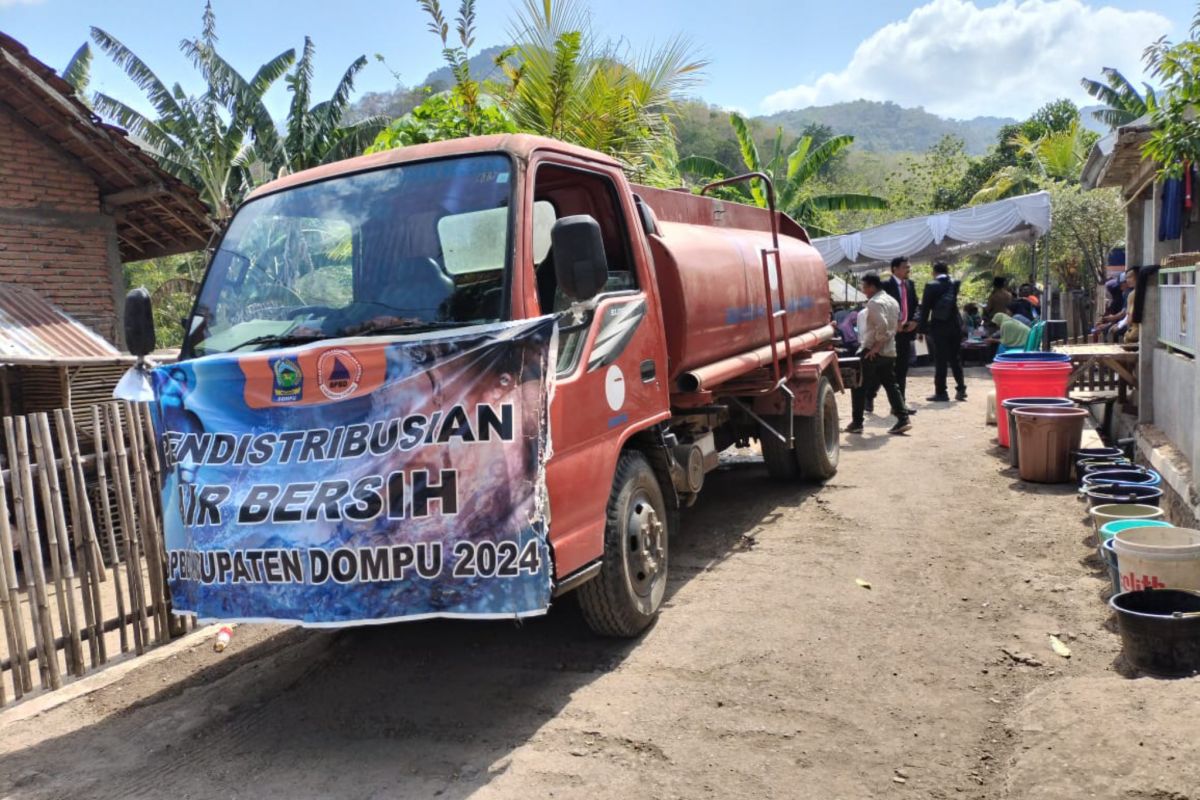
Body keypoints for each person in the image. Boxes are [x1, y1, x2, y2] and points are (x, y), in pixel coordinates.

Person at [846, 273, 912, 435]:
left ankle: (857, 422)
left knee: (859, 386)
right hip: (889, 351)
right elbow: (897, 325)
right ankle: (903, 418)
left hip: (872, 351)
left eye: (864, 286)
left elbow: (882, 326)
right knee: (891, 384)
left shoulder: (874, 303)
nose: (863, 289)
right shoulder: (893, 301)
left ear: (871, 286)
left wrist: (875, 347)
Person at [918, 261, 967, 402]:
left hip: (939, 326)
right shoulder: (955, 283)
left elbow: (925, 309)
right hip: (955, 325)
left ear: (934, 272)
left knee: (940, 359)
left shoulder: (931, 286)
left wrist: (921, 330)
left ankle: (941, 392)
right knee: (955, 358)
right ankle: (961, 389)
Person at [881, 256, 919, 414]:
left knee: (902, 369)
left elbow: (917, 305)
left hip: (905, 333)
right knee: (883, 368)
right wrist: (893, 322)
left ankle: (899, 405)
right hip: (890, 333)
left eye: (909, 267)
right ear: (894, 269)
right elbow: (879, 307)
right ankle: (870, 396)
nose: (908, 270)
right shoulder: (885, 286)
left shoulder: (910, 285)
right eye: (905, 267)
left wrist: (915, 321)